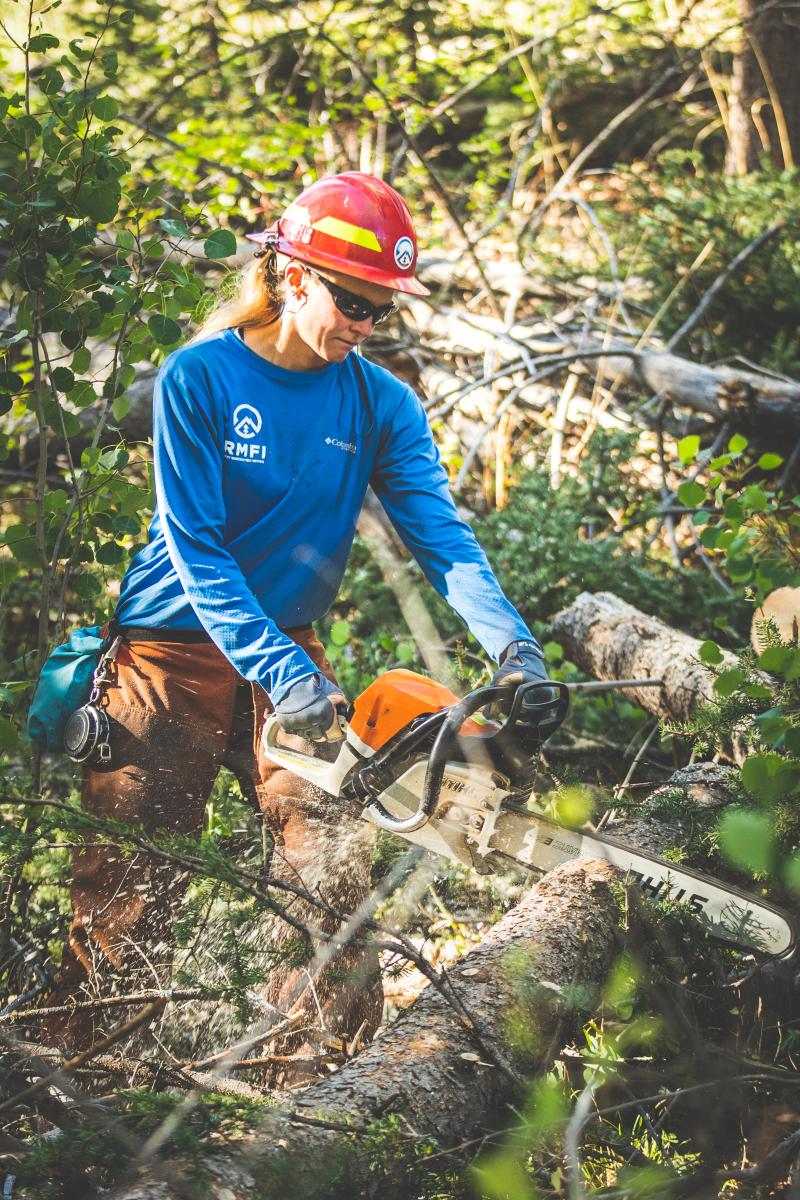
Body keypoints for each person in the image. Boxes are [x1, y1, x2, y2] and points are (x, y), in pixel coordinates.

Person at [40, 172, 550, 1078]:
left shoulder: (379, 402)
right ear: (292, 275)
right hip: (167, 660)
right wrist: (279, 666)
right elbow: (198, 548)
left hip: (294, 663)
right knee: (128, 890)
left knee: (331, 879)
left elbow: (443, 537)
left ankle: (319, 1099)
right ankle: (85, 1096)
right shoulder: (201, 376)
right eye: (352, 301)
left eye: (381, 311)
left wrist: (514, 648)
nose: (363, 324)